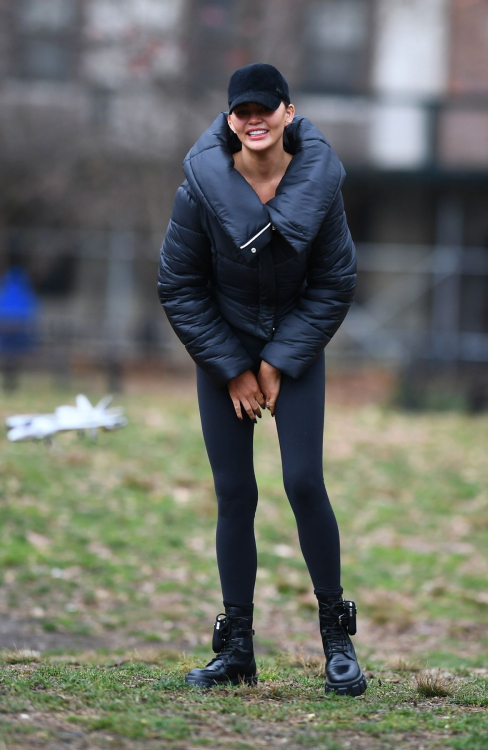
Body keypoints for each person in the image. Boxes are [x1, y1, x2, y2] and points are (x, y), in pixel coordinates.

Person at [158, 63, 366, 696]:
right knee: (234, 493)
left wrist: (277, 361)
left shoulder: (319, 186)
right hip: (222, 348)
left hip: (294, 347)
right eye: (242, 110)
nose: (254, 119)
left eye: (265, 108)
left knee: (304, 482)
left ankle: (339, 644)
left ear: (288, 113)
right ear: (229, 121)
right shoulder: (200, 189)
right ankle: (237, 650)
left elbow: (336, 283)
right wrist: (233, 368)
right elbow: (179, 286)